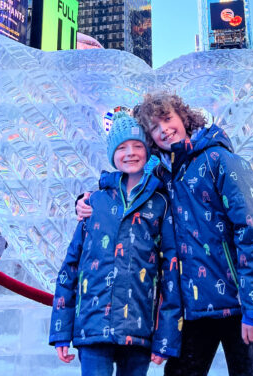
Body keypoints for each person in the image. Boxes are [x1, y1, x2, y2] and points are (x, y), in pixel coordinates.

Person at [78, 93, 253, 376]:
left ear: (185, 118)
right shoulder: (164, 173)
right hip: (193, 308)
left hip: (238, 304)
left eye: (167, 119)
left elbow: (252, 232)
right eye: (154, 128)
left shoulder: (222, 160)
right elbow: (125, 177)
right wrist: (86, 198)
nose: (164, 129)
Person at [49, 111, 181, 376]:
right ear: (112, 154)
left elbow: (170, 272)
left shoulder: (160, 203)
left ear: (147, 151)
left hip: (139, 328)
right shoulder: (94, 202)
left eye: (137, 146)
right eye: (122, 147)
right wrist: (62, 330)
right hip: (93, 327)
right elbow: (70, 268)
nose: (130, 153)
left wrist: (166, 336)